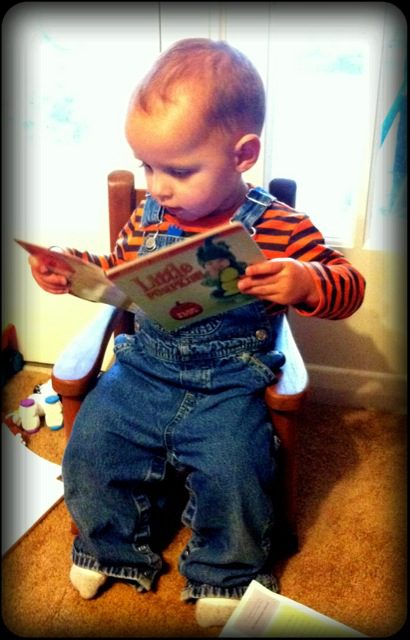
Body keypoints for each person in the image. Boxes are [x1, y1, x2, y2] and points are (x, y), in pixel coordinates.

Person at [29, 38, 366, 628]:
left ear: (243, 154)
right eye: (148, 167)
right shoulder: (151, 216)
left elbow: (349, 286)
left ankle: (224, 570)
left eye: (179, 170)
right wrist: (69, 267)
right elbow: (118, 277)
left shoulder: (280, 227)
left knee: (237, 465)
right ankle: (111, 546)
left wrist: (306, 281)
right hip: (145, 367)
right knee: (92, 447)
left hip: (231, 381)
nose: (159, 186)